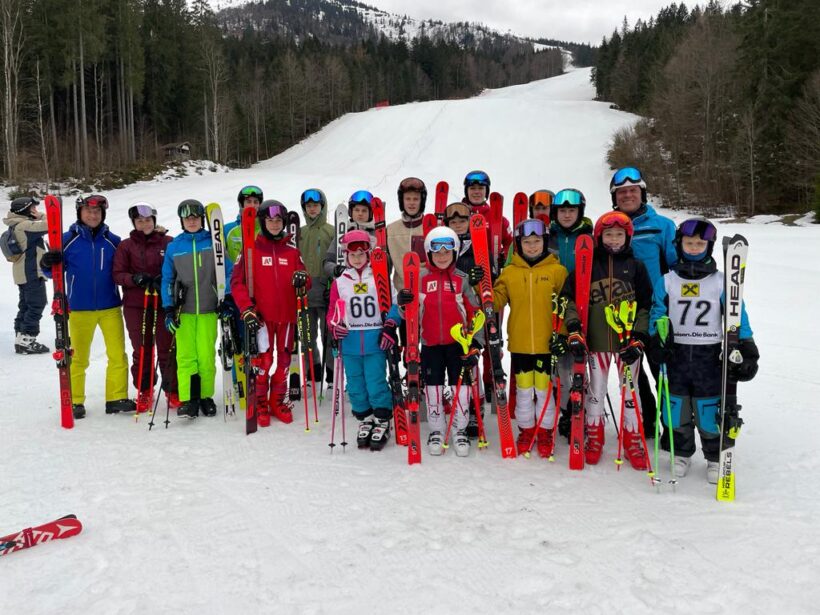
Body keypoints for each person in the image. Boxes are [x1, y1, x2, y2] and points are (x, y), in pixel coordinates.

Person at [649, 216, 758, 483]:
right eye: (689, 243)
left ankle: (713, 457)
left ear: (708, 246)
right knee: (676, 410)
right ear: (679, 244)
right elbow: (657, 313)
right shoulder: (667, 281)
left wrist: (747, 346)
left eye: (700, 243)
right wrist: (656, 341)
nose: (694, 247)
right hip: (676, 355)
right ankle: (682, 453)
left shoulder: (721, 282)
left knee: (709, 411)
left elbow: (737, 316)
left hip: (708, 356)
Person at [561, 211, 653, 469]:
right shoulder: (587, 265)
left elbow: (646, 304)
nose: (614, 239)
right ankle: (595, 435)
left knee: (630, 393)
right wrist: (574, 328)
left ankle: (633, 437)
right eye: (609, 234)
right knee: (595, 392)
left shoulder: (636, 267)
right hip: (597, 341)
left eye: (619, 234)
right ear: (599, 237)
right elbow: (569, 299)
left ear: (628, 236)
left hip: (627, 343)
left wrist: (639, 337)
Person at [40, 194, 134, 419]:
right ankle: (74, 400)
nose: (93, 215)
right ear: (80, 213)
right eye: (88, 211)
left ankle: (116, 397)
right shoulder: (66, 240)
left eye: (97, 212)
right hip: (78, 308)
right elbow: (50, 273)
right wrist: (46, 262)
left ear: (103, 215)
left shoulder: (114, 240)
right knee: (78, 357)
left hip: (110, 306)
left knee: (117, 355)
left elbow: (129, 264)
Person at [398, 226, 482, 457]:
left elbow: (476, 311)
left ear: (455, 253)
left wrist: (476, 342)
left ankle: (459, 429)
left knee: (461, 389)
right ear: (429, 253)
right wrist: (402, 302)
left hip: (459, 345)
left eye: (447, 251)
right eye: (437, 251)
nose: (442, 255)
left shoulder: (461, 279)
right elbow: (408, 314)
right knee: (433, 388)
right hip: (431, 344)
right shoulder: (421, 279)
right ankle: (437, 429)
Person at [609, 167, 678, 437]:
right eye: (622, 192)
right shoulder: (609, 228)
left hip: (656, 311)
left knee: (662, 371)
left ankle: (672, 427)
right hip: (622, 315)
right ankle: (645, 421)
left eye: (632, 190)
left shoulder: (662, 226)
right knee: (634, 374)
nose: (627, 195)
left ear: (642, 193)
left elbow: (677, 267)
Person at [492, 219, 568, 457]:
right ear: (518, 244)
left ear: (545, 243)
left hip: (548, 344)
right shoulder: (510, 273)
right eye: (527, 242)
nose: (532, 246)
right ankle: (526, 429)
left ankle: (545, 432)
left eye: (536, 241)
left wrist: (563, 336)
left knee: (544, 390)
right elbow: (494, 301)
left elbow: (566, 306)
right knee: (524, 390)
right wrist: (478, 285)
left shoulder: (557, 271)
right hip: (521, 343)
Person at [230, 201, 309, 427]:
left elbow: (305, 279)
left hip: (287, 316)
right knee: (263, 360)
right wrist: (246, 308)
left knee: (284, 360)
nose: (274, 225)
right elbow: (237, 282)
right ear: (262, 222)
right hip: (261, 316)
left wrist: (303, 280)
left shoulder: (292, 251)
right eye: (270, 220)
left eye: (278, 221)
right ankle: (262, 401)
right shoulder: (251, 250)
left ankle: (277, 400)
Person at [326, 229, 400, 450]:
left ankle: (382, 418)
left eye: (361, 253)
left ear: (369, 254)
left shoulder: (379, 278)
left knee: (375, 380)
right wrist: (334, 326)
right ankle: (365, 418)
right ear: (346, 256)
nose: (357, 258)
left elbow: (395, 306)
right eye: (353, 254)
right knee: (355, 384)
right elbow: (332, 312)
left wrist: (390, 325)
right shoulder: (339, 282)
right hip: (349, 343)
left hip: (374, 340)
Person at [161, 199, 231, 419]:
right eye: (187, 218)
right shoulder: (174, 247)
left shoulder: (213, 243)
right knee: (186, 356)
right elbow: (167, 279)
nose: (191, 221)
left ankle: (205, 396)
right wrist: (168, 308)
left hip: (209, 308)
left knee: (206, 355)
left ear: (202, 219)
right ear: (181, 221)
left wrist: (226, 297)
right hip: (185, 311)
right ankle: (188, 399)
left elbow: (228, 272)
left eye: (195, 217)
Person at [113, 203, 176, 412]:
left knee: (167, 347)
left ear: (154, 221)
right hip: (136, 305)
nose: (144, 224)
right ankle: (145, 390)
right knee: (142, 349)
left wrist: (165, 280)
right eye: (139, 221)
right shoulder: (126, 245)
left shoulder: (168, 242)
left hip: (163, 302)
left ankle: (172, 390)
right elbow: (117, 274)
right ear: (134, 223)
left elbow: (177, 268)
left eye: (148, 220)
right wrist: (135, 279)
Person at [546, 188, 594, 440]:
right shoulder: (547, 236)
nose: (566, 214)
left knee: (577, 363)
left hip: (580, 304)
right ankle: (564, 410)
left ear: (580, 211)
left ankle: (580, 409)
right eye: (562, 210)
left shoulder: (589, 237)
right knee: (559, 365)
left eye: (571, 210)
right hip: (552, 307)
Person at [462, 170, 512, 404]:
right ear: (466, 190)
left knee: (493, 334)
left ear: (486, 191)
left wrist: (503, 259)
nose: (476, 191)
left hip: (491, 284)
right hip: (465, 285)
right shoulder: (458, 214)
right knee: (470, 333)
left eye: (481, 188)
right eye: (472, 188)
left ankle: (492, 380)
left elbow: (512, 245)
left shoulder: (498, 218)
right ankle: (469, 382)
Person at [298, 189, 335, 387]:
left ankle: (331, 374)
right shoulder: (300, 233)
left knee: (328, 336)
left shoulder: (331, 231)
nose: (312, 209)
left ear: (322, 207)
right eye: (308, 206)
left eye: (315, 205)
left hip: (326, 292)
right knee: (307, 337)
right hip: (304, 293)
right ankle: (313, 371)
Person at [3, 196, 49, 354]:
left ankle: (21, 337)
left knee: (26, 305)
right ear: (24, 209)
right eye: (32, 208)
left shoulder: (15, 225)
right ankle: (27, 340)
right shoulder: (24, 225)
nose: (35, 211)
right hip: (30, 272)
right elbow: (52, 225)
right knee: (36, 304)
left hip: (22, 273)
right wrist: (41, 215)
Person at [323, 190, 378, 281]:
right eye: (357, 210)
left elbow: (386, 261)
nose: (360, 213)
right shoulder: (342, 233)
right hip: (346, 284)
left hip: (371, 284)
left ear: (370, 213)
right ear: (350, 212)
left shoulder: (377, 234)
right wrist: (336, 269)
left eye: (364, 211)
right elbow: (327, 262)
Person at [386, 177, 426, 290]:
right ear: (401, 201)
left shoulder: (431, 226)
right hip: (402, 293)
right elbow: (386, 268)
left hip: (428, 293)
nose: (411, 203)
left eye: (416, 199)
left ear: (421, 201)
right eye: (408, 199)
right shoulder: (391, 229)